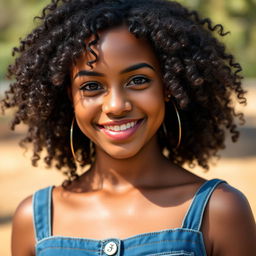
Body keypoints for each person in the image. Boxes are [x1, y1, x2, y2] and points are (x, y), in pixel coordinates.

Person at [2, 0, 255, 255]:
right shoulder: (32, 222)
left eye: (138, 81)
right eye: (91, 86)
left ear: (167, 87)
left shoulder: (220, 212)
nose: (116, 106)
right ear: (70, 96)